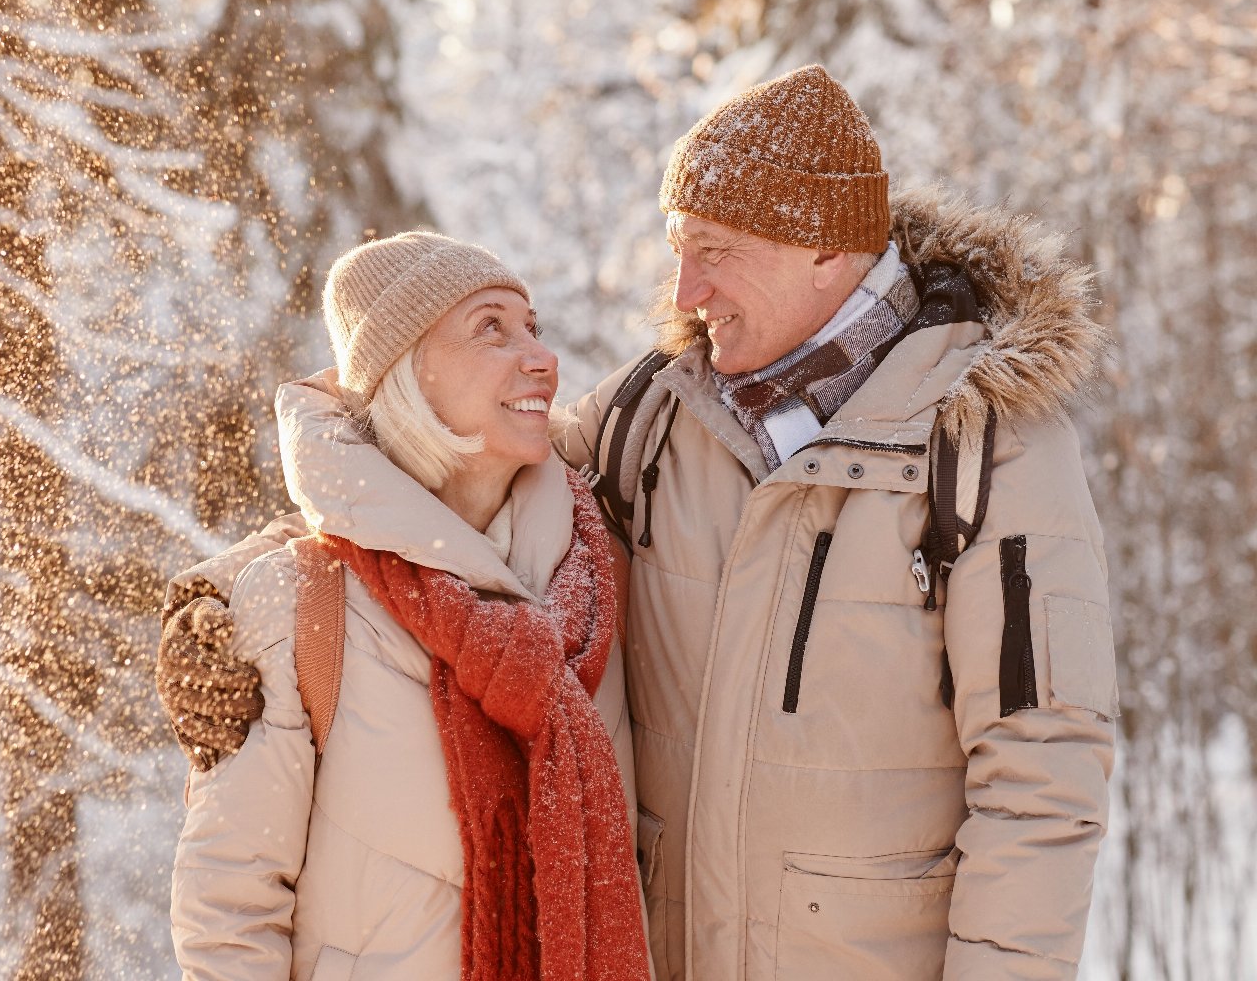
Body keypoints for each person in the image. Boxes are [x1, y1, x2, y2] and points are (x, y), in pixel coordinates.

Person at [160, 67, 1117, 981]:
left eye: (717, 254)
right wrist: (233, 599)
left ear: (826, 250)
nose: (686, 293)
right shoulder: (657, 414)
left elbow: (1041, 779)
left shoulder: (985, 445)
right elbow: (432, 489)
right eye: (679, 252)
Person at [161, 232, 650, 980]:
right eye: (491, 328)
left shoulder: (596, 574)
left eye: (533, 328)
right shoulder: (302, 604)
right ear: (406, 371)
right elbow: (229, 911)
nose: (541, 358)